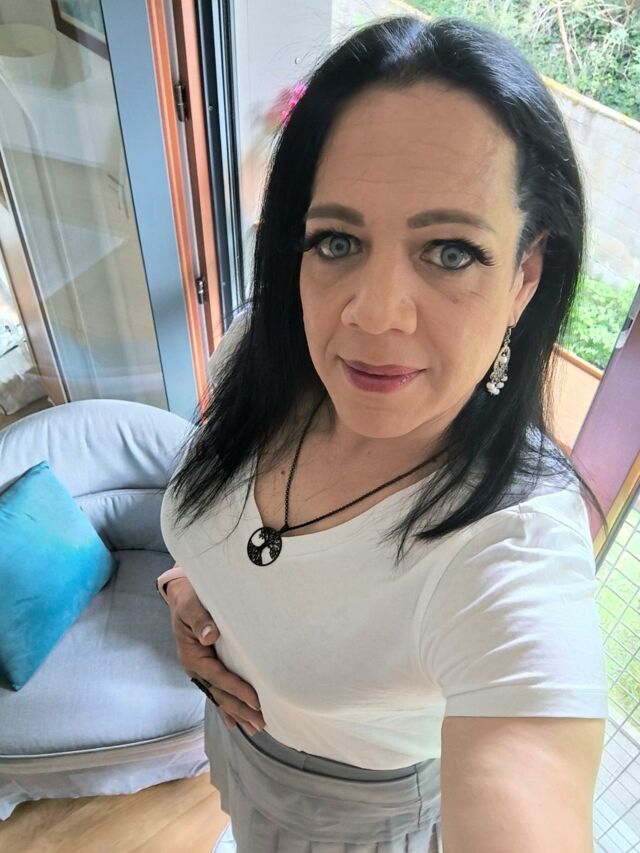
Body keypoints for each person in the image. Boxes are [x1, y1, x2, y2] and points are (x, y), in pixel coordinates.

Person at [156, 13, 609, 853]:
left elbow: (527, 767)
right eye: (337, 240)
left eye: (450, 252)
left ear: (525, 276)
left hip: (349, 819)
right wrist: (189, 591)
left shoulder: (512, 548)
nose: (373, 314)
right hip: (234, 737)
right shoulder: (260, 351)